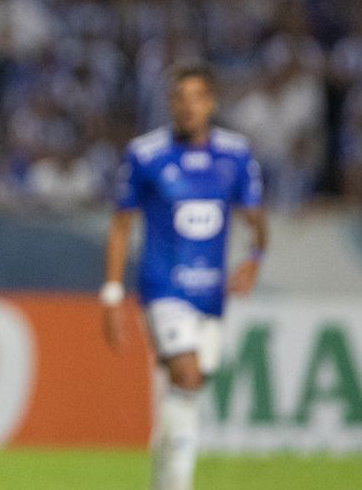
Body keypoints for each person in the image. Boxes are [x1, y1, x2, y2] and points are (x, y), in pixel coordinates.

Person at [101, 62, 269, 490]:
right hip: (163, 287)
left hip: (210, 292)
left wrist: (254, 258)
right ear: (169, 104)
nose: (188, 107)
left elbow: (255, 218)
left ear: (211, 102)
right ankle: (179, 485)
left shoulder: (235, 154)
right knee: (187, 374)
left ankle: (165, 477)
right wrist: (112, 293)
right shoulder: (146, 155)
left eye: (197, 97)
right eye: (180, 98)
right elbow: (121, 226)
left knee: (191, 389)